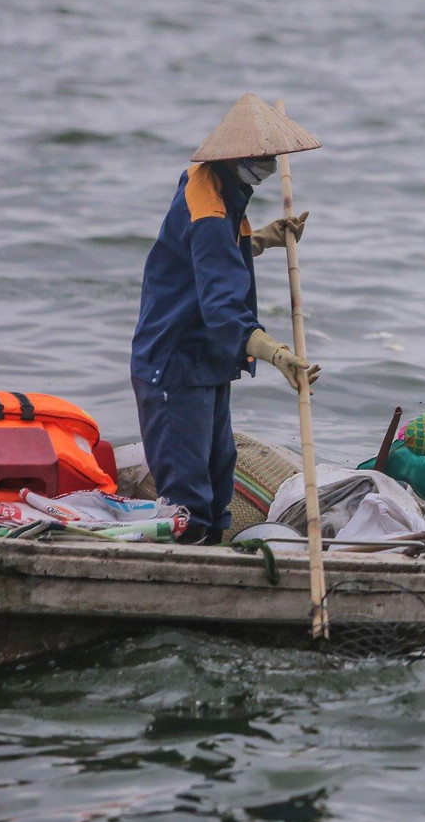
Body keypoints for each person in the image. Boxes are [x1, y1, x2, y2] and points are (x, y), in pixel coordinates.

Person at [131, 93, 323, 544]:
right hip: (174, 365)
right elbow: (222, 310)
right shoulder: (210, 211)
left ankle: (212, 551)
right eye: (261, 156)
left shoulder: (214, 187)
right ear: (234, 155)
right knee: (189, 498)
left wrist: (259, 240)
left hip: (205, 362)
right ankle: (185, 572)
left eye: (272, 156)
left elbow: (206, 258)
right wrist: (278, 355)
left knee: (220, 476)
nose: (270, 164)